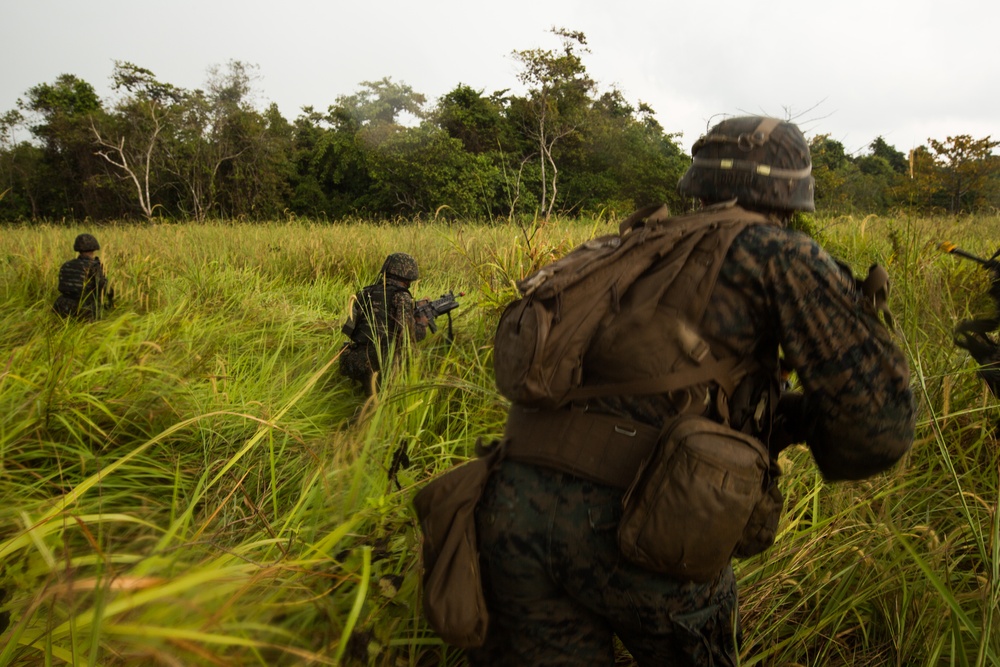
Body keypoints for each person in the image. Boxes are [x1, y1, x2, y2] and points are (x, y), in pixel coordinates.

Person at [469, 117, 916, 665]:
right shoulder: (779, 253)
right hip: (643, 523)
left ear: (698, 181)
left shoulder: (632, 243)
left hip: (511, 511)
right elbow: (876, 427)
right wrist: (792, 427)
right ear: (794, 191)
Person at [339, 252, 429, 394]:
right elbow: (409, 336)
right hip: (382, 363)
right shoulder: (401, 296)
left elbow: (349, 330)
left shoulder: (365, 293)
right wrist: (422, 322)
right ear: (409, 276)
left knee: (367, 398)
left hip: (355, 360)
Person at [53, 233, 110, 321]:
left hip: (62, 307)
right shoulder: (94, 266)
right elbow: (103, 288)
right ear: (94, 248)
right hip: (84, 309)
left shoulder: (66, 265)